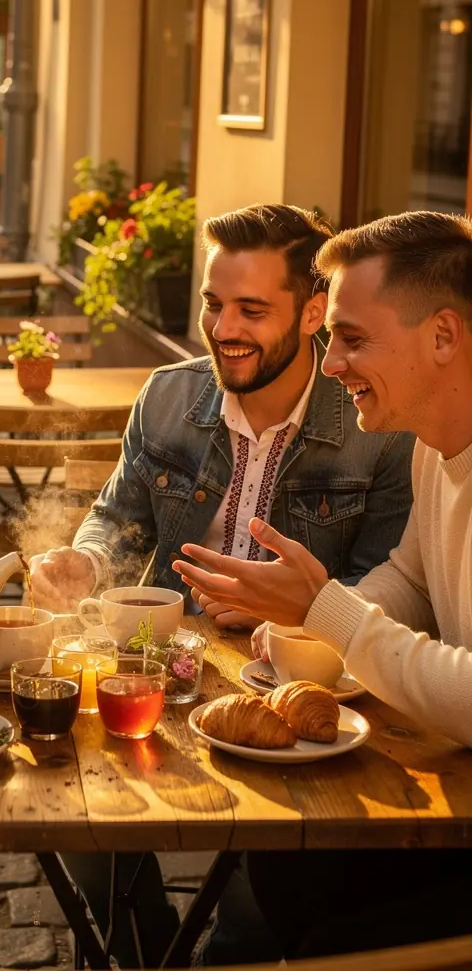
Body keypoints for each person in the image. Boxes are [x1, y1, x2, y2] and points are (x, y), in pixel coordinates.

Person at [30, 203, 414, 966]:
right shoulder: (167, 396)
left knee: (260, 893)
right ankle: (146, 947)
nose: (223, 328)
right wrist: (88, 561)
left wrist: (298, 617)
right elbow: (117, 518)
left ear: (313, 313)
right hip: (157, 667)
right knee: (71, 805)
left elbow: (388, 581)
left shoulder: (378, 427)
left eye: (251, 310)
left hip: (293, 690)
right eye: (213, 303)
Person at [174, 210, 472, 961]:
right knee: (282, 866)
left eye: (353, 338)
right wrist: (305, 627)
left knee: (327, 925)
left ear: (443, 335)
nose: (331, 361)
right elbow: (412, 581)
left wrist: (324, 608)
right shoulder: (433, 449)